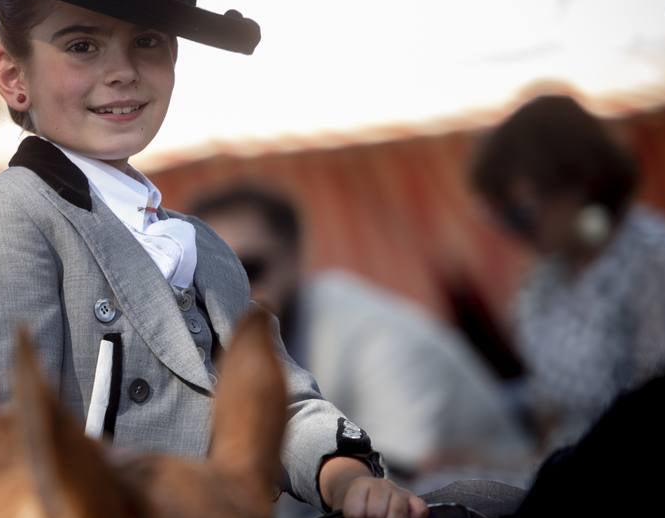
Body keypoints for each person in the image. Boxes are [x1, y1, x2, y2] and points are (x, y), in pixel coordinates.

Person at [0, 0, 425, 518]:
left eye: (149, 41)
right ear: (13, 76)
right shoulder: (4, 218)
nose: (122, 70)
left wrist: (345, 482)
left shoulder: (201, 244)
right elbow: (6, 449)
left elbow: (277, 406)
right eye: (81, 45)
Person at [191, 185, 534, 479]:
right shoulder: (238, 346)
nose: (235, 289)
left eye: (249, 268)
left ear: (295, 257)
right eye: (210, 277)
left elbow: (396, 476)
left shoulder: (374, 333)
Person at [468, 93, 665, 448]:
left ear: (576, 183)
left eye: (521, 211)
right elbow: (548, 407)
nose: (514, 230)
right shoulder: (547, 274)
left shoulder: (656, 259)